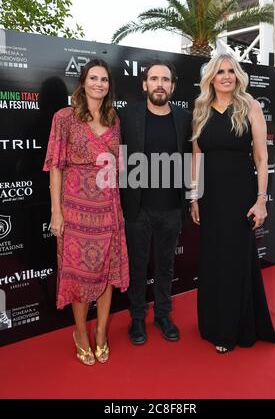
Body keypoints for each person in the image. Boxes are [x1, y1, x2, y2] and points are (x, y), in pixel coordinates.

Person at [190, 53, 275, 353]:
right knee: (214, 259)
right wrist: (194, 196)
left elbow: (261, 157)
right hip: (210, 197)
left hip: (241, 196)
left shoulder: (250, 106)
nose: (226, 76)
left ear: (237, 75)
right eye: (220, 72)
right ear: (211, 78)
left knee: (234, 260)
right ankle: (213, 323)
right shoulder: (201, 109)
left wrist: (261, 200)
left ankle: (231, 329)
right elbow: (197, 158)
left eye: (231, 71)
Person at [43, 59, 129, 365]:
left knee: (106, 273)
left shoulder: (114, 118)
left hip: (108, 208)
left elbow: (117, 169)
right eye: (93, 78)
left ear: (109, 85)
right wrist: (56, 212)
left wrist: (117, 209)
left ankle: (102, 333)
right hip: (75, 209)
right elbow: (55, 167)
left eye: (104, 79)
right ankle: (80, 332)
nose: (99, 84)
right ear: (83, 82)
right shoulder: (64, 118)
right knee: (79, 277)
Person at [118, 60, 192, 345]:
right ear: (144, 84)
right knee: (137, 266)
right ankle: (137, 318)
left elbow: (192, 158)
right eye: (154, 78)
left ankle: (163, 314)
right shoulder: (127, 115)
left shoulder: (185, 117)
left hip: (172, 207)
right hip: (137, 207)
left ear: (172, 86)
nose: (159, 84)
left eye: (165, 79)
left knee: (165, 266)